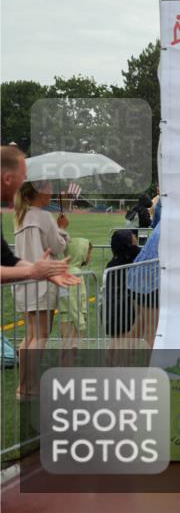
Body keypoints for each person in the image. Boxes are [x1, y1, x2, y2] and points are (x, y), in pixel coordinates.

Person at [12, 178, 73, 399]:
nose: (51, 192)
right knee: (41, 335)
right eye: (47, 188)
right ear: (38, 191)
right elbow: (58, 246)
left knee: (30, 335)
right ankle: (30, 387)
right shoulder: (43, 216)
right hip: (43, 283)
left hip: (24, 280)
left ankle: (24, 386)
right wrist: (62, 229)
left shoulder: (20, 216)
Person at [0, 145, 76, 285]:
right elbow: (58, 246)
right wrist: (32, 271)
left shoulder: (12, 214)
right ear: (8, 179)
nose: (25, 185)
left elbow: (6, 259)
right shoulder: (42, 215)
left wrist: (45, 272)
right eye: (23, 178)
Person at [127, 222, 160, 347]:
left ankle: (116, 358)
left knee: (140, 325)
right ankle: (148, 365)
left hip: (139, 276)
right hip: (151, 281)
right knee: (152, 333)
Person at [104, 229, 140, 338]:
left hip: (112, 310)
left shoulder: (112, 264)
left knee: (117, 342)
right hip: (123, 310)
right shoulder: (127, 263)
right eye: (134, 242)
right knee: (122, 343)